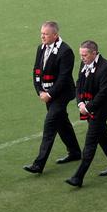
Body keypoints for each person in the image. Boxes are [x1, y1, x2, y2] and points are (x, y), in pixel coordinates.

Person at [24, 21, 81, 174]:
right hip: (48, 94)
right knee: (62, 123)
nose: (42, 36)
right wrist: (39, 90)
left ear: (55, 35)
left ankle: (38, 164)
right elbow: (37, 70)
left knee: (50, 125)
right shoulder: (41, 48)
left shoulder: (65, 51)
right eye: (41, 33)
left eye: (46, 34)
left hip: (61, 94)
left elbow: (63, 78)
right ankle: (75, 152)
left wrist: (49, 94)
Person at [65, 40, 107, 188]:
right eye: (81, 55)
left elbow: (103, 93)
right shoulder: (84, 63)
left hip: (99, 112)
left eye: (84, 55)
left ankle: (78, 177)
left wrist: (88, 107)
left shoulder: (106, 68)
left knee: (90, 144)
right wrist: (80, 103)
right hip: (88, 109)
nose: (82, 58)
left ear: (94, 53)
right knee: (104, 137)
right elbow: (78, 84)